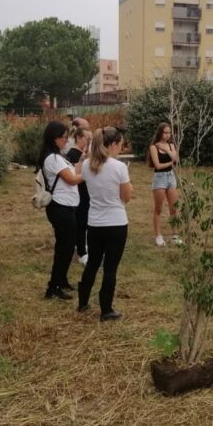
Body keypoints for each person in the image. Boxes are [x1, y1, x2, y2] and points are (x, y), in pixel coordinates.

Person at [78, 127, 132, 321]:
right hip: (116, 223)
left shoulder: (86, 166)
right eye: (120, 144)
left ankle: (82, 302)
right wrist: (129, 188)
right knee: (110, 268)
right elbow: (126, 198)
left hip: (95, 223)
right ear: (112, 145)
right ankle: (106, 309)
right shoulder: (119, 167)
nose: (121, 148)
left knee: (92, 263)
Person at [38, 121, 84, 300]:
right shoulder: (53, 158)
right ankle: (53, 287)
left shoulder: (59, 156)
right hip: (60, 207)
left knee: (66, 246)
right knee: (64, 247)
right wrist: (90, 173)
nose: (66, 141)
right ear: (54, 138)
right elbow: (72, 179)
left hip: (66, 206)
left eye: (67, 137)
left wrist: (83, 161)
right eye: (64, 138)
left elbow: (73, 171)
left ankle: (61, 280)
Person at [146, 123, 180, 247]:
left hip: (171, 177)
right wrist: (172, 162)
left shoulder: (171, 145)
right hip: (159, 178)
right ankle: (158, 235)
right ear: (160, 133)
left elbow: (176, 160)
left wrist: (167, 150)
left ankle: (175, 235)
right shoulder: (154, 147)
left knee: (174, 208)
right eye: (165, 132)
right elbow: (158, 165)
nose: (167, 135)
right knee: (158, 208)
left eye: (169, 132)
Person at [66, 127, 92, 265]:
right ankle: (82, 252)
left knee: (86, 221)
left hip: (87, 192)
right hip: (78, 193)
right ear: (78, 138)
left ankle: (81, 244)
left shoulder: (85, 153)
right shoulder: (72, 154)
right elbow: (74, 174)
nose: (89, 142)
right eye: (87, 139)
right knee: (81, 221)